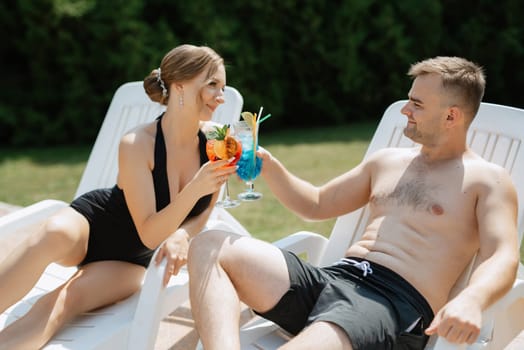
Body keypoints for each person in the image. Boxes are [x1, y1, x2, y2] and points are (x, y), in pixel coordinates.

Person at [187, 56, 519, 350]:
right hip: (333, 280)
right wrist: (269, 163)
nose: (405, 109)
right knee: (209, 246)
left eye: (417, 104)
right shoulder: (387, 161)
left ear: (451, 117)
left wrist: (473, 299)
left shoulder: (487, 180)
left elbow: (502, 255)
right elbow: (316, 204)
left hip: (390, 306)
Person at [0, 44, 237, 349]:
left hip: (136, 260)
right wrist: (195, 187)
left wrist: (181, 234)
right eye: (212, 85)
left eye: (224, 87)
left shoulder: (219, 140)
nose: (221, 96)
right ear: (180, 86)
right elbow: (153, 223)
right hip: (96, 223)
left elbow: (194, 216)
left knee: (64, 301)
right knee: (50, 233)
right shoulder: (137, 142)